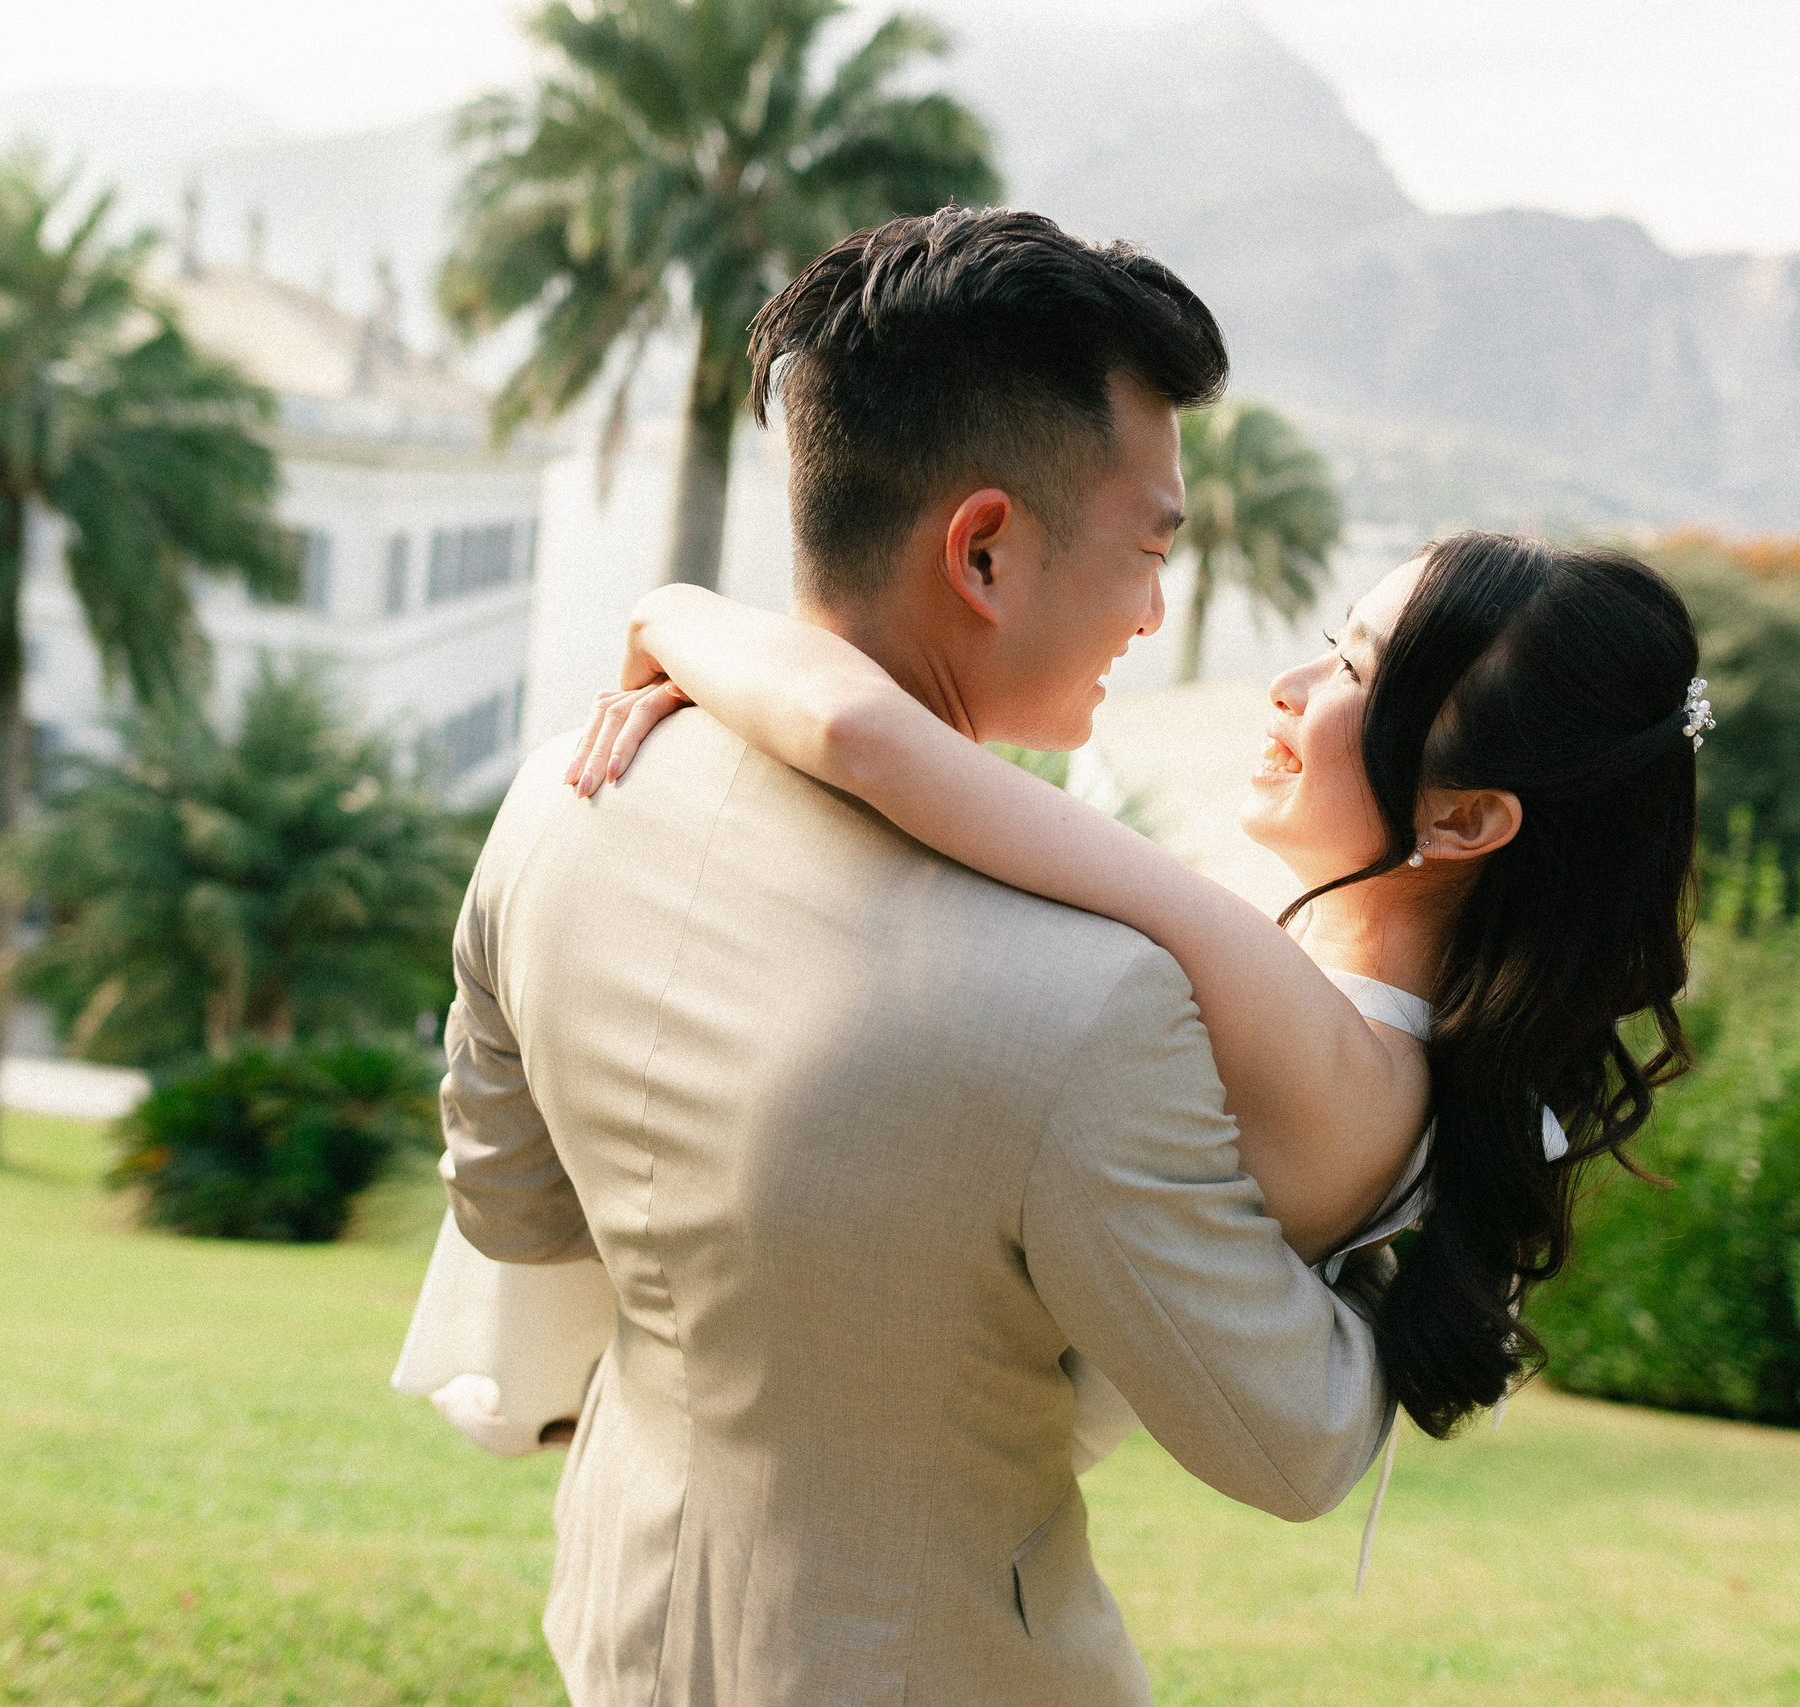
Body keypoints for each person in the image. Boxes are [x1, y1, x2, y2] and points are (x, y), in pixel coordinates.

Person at [435, 208, 1394, 1707]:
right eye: (1149, 549)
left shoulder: (561, 798)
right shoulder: (1085, 1000)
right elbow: (1294, 1440)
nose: (1156, 611)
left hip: (623, 1625)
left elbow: (507, 1197)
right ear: (984, 549)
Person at [575, 528, 1708, 1440]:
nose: (1289, 685)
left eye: (1356, 671)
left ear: (1463, 820)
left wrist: (664, 614)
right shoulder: (1373, 1064)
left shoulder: (1315, 1041)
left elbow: (860, 732)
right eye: (1330, 642)